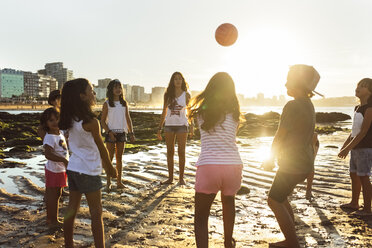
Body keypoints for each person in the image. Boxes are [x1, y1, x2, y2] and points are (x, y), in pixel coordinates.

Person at [263, 65, 320, 248]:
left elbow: (280, 135)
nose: (285, 83)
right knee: (282, 197)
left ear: (298, 83)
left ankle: (292, 242)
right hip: (305, 163)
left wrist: (270, 158)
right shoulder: (309, 106)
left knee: (273, 199)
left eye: (289, 79)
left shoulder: (292, 105)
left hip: (292, 164)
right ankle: (292, 236)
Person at [59, 78, 117, 248]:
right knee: (96, 213)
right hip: (89, 172)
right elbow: (102, 148)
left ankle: (68, 245)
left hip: (74, 169)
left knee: (71, 211)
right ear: (82, 96)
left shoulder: (69, 119)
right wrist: (110, 168)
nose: (93, 93)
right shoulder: (91, 122)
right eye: (91, 90)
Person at [189, 72, 242, 248]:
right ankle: (228, 241)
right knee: (228, 202)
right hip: (233, 166)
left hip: (209, 166)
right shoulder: (235, 115)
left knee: (201, 218)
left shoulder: (201, 114)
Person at [338, 78, 372, 216]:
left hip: (365, 148)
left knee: (364, 176)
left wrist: (348, 148)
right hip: (356, 147)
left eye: (363, 86)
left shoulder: (369, 108)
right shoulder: (357, 107)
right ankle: (354, 202)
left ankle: (367, 208)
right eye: (358, 85)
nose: (358, 88)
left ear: (370, 91)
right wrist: (345, 145)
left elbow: (363, 131)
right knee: (353, 174)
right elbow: (354, 131)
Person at [157, 72, 192, 185]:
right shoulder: (168, 95)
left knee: (181, 152)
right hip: (169, 126)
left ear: (182, 81)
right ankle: (170, 178)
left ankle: (181, 179)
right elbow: (164, 111)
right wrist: (159, 128)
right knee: (170, 152)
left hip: (182, 126)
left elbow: (189, 112)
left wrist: (192, 126)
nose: (178, 81)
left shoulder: (187, 95)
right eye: (175, 79)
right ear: (172, 81)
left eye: (180, 79)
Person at [101, 79, 135, 191]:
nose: (118, 89)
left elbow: (128, 119)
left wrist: (131, 133)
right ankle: (108, 182)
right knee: (109, 158)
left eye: (119, 87)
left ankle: (119, 182)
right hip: (111, 133)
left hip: (122, 133)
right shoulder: (106, 104)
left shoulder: (124, 103)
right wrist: (109, 132)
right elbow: (102, 121)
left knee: (119, 158)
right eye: (115, 87)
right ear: (111, 90)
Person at [40, 107, 69, 229]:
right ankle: (52, 220)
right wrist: (63, 160)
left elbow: (62, 145)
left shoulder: (60, 133)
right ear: (46, 123)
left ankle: (53, 218)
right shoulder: (50, 137)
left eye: (57, 119)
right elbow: (48, 154)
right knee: (53, 196)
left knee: (58, 194)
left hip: (60, 169)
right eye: (51, 120)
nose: (55, 122)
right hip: (54, 170)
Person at [305, 132, 319, 200]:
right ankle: (290, 189)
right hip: (296, 140)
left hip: (312, 140)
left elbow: (314, 134)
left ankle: (308, 191)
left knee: (310, 165)